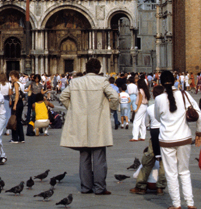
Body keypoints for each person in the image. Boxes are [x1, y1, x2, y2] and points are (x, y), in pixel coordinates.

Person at [60, 58, 119, 196]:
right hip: (97, 123)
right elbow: (115, 97)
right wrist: (109, 110)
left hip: (81, 124)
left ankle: (86, 187)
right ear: (98, 69)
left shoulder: (76, 81)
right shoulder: (102, 81)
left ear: (86, 68)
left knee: (84, 156)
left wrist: (74, 110)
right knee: (99, 157)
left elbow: (63, 97)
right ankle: (99, 188)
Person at [156, 70, 199, 209]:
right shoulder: (185, 94)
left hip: (167, 140)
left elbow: (157, 118)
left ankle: (176, 204)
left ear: (160, 83)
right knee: (184, 171)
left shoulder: (159, 99)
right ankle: (190, 203)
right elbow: (199, 115)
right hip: (184, 138)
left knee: (171, 173)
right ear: (175, 80)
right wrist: (198, 133)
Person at [129, 85, 167, 195]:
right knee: (164, 162)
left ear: (154, 95)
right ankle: (160, 187)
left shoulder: (150, 108)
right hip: (165, 135)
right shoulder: (167, 108)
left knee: (147, 161)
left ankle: (141, 186)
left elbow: (146, 124)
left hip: (154, 134)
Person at [131, 77, 150, 142]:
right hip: (145, 106)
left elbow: (140, 100)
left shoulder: (140, 91)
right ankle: (142, 136)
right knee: (142, 122)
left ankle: (135, 136)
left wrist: (137, 109)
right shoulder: (145, 90)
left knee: (136, 121)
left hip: (141, 106)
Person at [9, 70, 25, 143]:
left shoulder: (16, 84)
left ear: (15, 77)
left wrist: (14, 105)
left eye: (12, 77)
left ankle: (15, 138)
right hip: (21, 103)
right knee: (19, 121)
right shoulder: (21, 83)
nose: (11, 78)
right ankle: (21, 138)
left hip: (16, 103)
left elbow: (17, 95)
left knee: (14, 120)